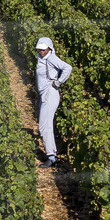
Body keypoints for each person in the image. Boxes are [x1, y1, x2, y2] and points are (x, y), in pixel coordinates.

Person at [33, 36, 71, 167]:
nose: (41, 51)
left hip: (50, 94)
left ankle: (51, 157)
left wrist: (58, 82)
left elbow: (67, 68)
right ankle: (52, 154)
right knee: (45, 125)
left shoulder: (51, 58)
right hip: (45, 94)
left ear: (50, 48)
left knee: (44, 126)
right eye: (39, 49)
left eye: (44, 49)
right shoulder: (41, 58)